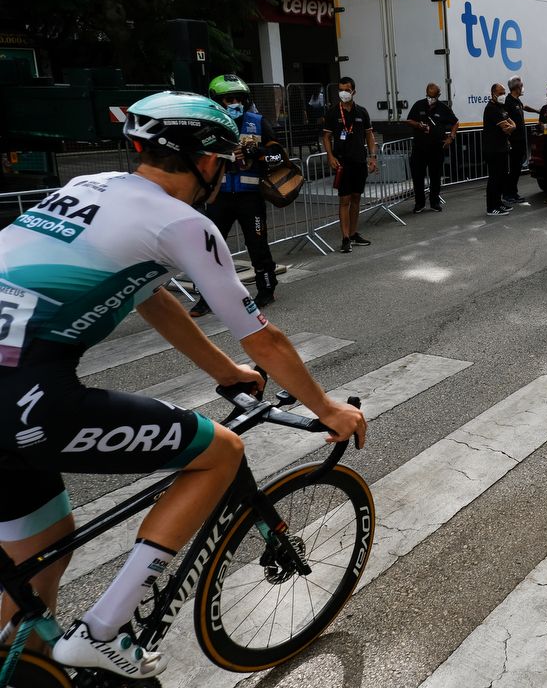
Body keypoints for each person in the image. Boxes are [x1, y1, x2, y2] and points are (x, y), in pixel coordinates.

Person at [0, 91, 366, 678]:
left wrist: (224, 374)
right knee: (221, 452)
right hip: (24, 398)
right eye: (220, 159)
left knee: (44, 547)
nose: (221, 171)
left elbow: (151, 296)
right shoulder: (182, 223)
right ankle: (101, 632)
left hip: (13, 397)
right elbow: (264, 339)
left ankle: (24, 661)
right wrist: (325, 408)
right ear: (202, 160)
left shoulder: (87, 188)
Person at [188, 74, 280, 318]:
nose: (234, 103)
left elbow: (278, 157)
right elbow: (196, 156)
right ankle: (206, 298)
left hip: (250, 197)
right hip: (219, 198)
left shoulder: (258, 122)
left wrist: (255, 151)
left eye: (238, 98)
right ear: (218, 101)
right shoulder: (208, 125)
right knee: (210, 249)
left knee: (257, 245)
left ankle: (266, 289)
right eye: (229, 99)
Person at [321, 77, 378, 254]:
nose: (343, 93)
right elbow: (326, 137)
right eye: (341, 89)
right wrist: (330, 156)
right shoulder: (332, 112)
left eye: (347, 89)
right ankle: (345, 238)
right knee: (344, 199)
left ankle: (353, 234)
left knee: (356, 198)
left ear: (354, 91)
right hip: (342, 162)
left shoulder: (362, 112)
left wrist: (373, 156)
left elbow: (369, 135)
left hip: (359, 161)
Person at [405, 82, 459, 213]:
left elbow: (456, 122)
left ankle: (434, 202)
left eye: (433, 97)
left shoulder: (443, 108)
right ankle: (419, 203)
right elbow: (408, 120)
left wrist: (451, 137)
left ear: (438, 95)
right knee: (418, 176)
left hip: (436, 148)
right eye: (429, 96)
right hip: (419, 148)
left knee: (435, 176)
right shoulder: (419, 105)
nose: (431, 99)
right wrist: (418, 125)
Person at [503, 76, 539, 206]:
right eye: (521, 86)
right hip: (513, 141)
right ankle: (508, 194)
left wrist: (537, 111)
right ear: (516, 88)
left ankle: (513, 192)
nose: (523, 88)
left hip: (520, 140)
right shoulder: (508, 102)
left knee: (517, 168)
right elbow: (504, 121)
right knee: (513, 169)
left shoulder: (517, 101)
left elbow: (525, 107)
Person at [482, 83, 517, 216]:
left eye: (504, 92)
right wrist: (511, 127)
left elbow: (512, 123)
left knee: (501, 177)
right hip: (493, 149)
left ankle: (498, 203)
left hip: (502, 148)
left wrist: (512, 127)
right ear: (493, 93)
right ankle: (491, 207)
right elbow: (505, 126)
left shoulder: (500, 107)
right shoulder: (491, 108)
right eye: (500, 93)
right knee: (494, 178)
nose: (503, 95)